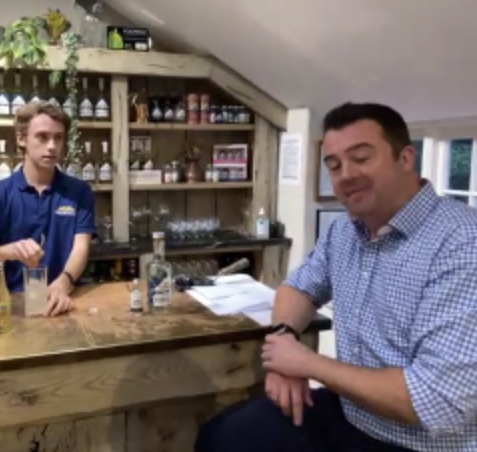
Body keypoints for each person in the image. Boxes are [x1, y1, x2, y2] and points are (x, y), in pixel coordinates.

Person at [195, 102, 477, 451]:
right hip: (354, 414)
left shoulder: (463, 242)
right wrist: (284, 340)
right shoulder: (344, 231)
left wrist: (306, 363)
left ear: (405, 158)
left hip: (423, 442)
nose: (346, 174)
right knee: (220, 435)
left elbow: (436, 402)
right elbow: (298, 288)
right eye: (334, 165)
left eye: (361, 158)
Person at [0, 101, 96, 317]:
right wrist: (10, 251)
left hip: (65, 301)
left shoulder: (79, 192)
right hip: (17, 304)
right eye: (42, 137)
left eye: (58, 137)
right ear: (21, 139)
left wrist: (63, 283)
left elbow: (81, 248)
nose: (52, 146)